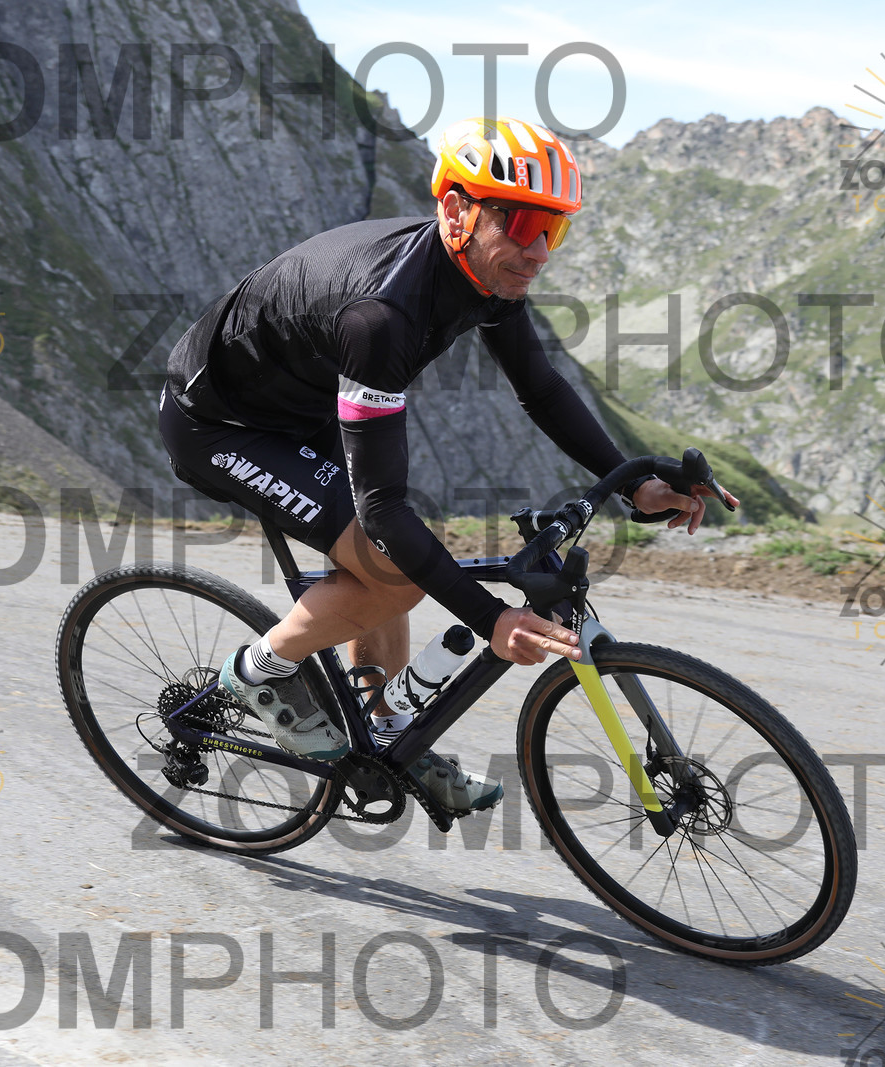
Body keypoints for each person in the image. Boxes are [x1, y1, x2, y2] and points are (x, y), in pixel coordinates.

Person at [161, 116, 736, 816]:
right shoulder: (381, 317)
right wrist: (491, 617)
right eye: (522, 223)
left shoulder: (485, 275)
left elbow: (540, 387)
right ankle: (260, 672)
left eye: (554, 230)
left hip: (300, 405)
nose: (538, 251)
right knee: (393, 569)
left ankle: (385, 731)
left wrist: (635, 483)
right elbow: (382, 511)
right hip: (220, 424)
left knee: (393, 558)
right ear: (459, 210)